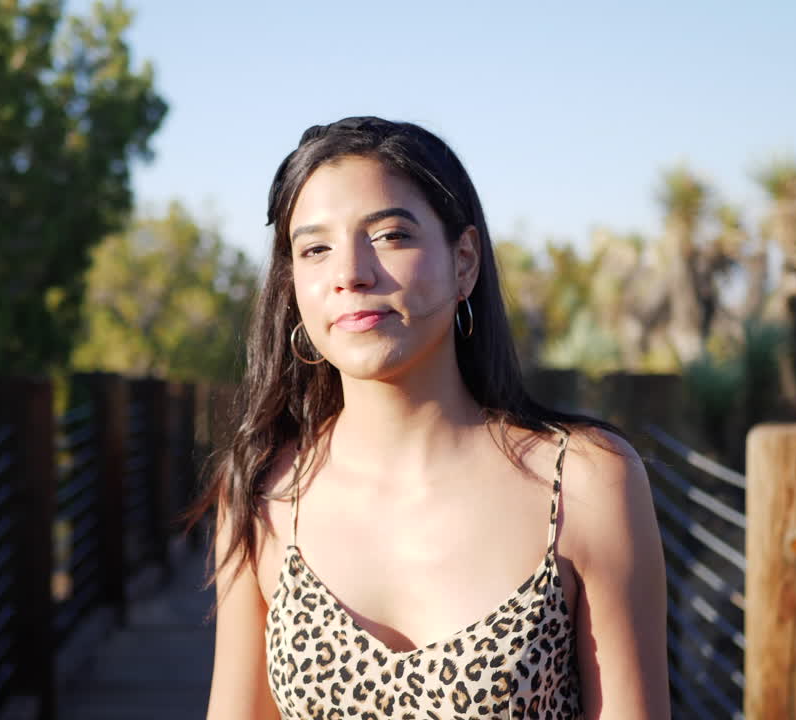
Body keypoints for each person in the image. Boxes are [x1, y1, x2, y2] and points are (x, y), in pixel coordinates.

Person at [187, 116, 669, 719]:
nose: (350, 274)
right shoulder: (262, 488)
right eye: (315, 249)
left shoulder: (586, 481)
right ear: (294, 286)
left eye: (390, 236)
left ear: (464, 261)